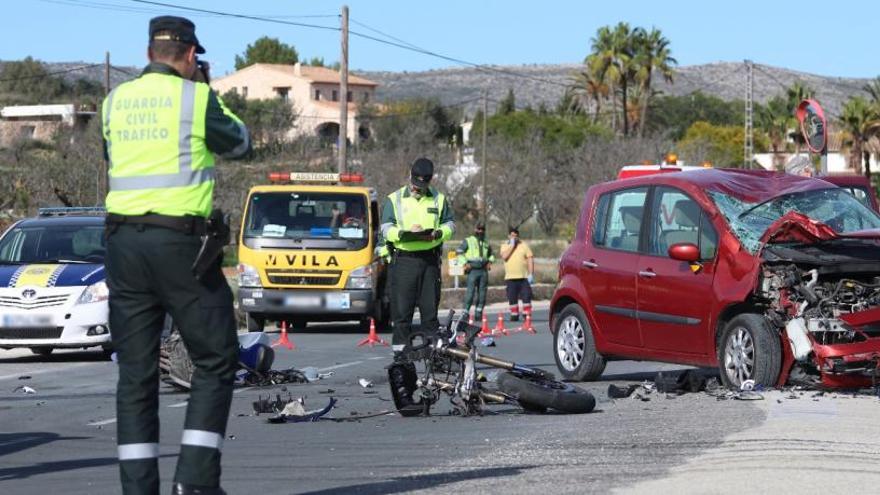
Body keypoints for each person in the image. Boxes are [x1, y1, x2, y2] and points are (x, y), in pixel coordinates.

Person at [102, 15, 250, 495]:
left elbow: (114, 157)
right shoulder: (196, 97)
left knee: (136, 374)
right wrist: (209, 89)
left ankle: (138, 489)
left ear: (148, 54)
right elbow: (241, 144)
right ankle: (196, 480)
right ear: (190, 56)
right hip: (181, 246)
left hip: (123, 245)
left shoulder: (113, 102)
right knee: (216, 356)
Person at [380, 157, 455, 414]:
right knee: (401, 317)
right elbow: (386, 227)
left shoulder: (439, 199)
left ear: (429, 181)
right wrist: (400, 234)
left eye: (421, 185)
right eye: (414, 183)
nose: (417, 188)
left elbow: (450, 225)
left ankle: (433, 370)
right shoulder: (395, 199)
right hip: (404, 262)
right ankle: (402, 364)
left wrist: (438, 234)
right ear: (409, 176)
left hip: (429, 262)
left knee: (430, 317)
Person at [456, 223, 494, 321]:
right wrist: (464, 263)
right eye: (479, 229)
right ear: (475, 229)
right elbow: (459, 252)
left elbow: (491, 255)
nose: (480, 231)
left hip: (483, 270)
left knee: (482, 293)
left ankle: (478, 312)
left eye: (482, 229)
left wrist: (490, 261)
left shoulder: (486, 242)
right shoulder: (468, 241)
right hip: (472, 270)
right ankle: (465, 313)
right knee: (470, 292)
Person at [499, 227, 534, 321]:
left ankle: (527, 314)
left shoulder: (524, 245)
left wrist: (531, 274)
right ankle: (514, 314)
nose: (514, 237)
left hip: (523, 277)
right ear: (509, 236)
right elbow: (504, 256)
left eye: (516, 236)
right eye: (512, 236)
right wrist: (512, 246)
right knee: (512, 297)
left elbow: (530, 259)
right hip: (510, 277)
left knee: (526, 296)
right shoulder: (504, 245)